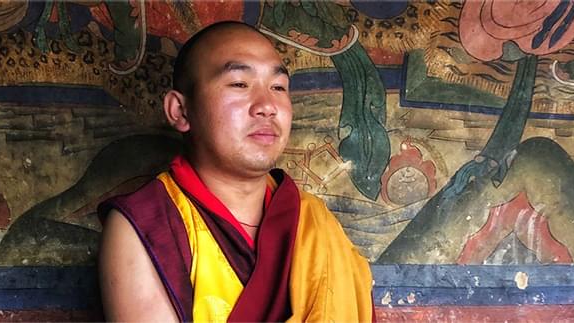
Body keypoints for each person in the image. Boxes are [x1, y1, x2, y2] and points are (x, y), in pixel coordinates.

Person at [98, 21, 374, 322]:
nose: (267, 106)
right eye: (239, 84)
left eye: (278, 87)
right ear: (180, 110)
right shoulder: (148, 224)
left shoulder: (313, 221)